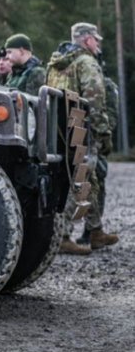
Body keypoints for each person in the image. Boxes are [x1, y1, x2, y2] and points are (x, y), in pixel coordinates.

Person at [45, 22, 120, 255]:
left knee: (88, 180)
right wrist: (103, 133)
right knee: (80, 180)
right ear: (87, 40)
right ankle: (63, 236)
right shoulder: (87, 63)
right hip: (82, 129)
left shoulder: (56, 65)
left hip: (59, 130)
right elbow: (95, 101)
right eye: (96, 39)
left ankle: (95, 231)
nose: (97, 44)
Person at [79, 49, 119, 248]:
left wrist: (103, 136)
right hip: (86, 136)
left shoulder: (108, 86)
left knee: (98, 182)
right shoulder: (85, 81)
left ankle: (91, 229)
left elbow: (110, 113)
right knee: (88, 181)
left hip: (98, 138)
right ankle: (93, 229)